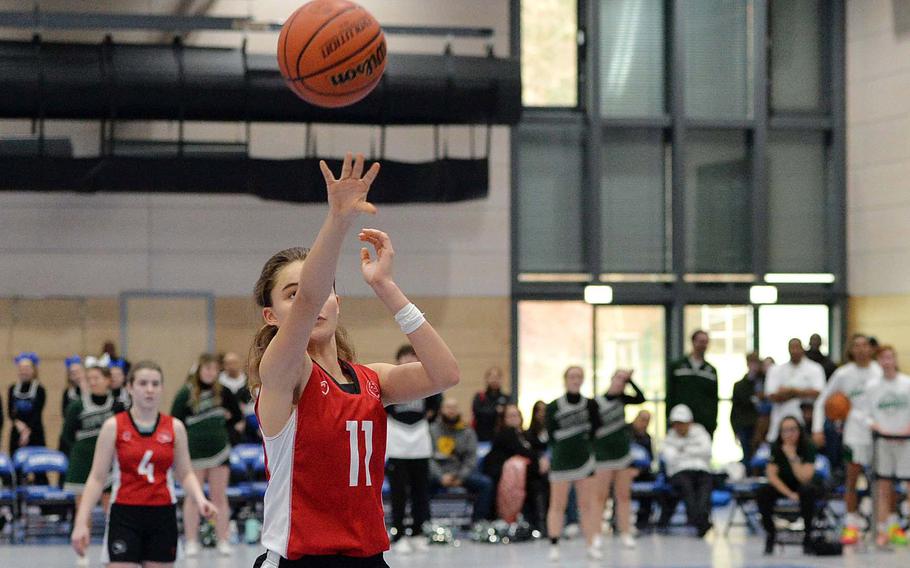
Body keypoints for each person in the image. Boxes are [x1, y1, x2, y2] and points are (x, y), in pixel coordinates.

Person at [248, 153, 459, 568]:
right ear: (271, 317)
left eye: (328, 289)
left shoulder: (371, 380)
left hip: (367, 557)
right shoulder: (281, 375)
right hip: (301, 559)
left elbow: (445, 373)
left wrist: (386, 286)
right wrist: (339, 219)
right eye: (290, 295)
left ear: (338, 303)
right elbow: (310, 300)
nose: (312, 301)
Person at [70, 361, 216, 567]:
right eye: (143, 383)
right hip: (125, 513)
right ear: (130, 387)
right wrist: (80, 522)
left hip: (162, 514)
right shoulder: (114, 426)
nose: (150, 389)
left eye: (155, 384)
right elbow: (97, 477)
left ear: (162, 388)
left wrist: (201, 499)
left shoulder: (175, 427)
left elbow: (185, 473)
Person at [811, 334, 880, 545]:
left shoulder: (879, 372)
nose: (860, 349)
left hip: (879, 431)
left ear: (870, 349)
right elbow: (822, 400)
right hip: (853, 432)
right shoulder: (843, 374)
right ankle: (851, 524)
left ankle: (882, 524)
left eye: (864, 346)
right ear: (851, 350)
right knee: (852, 478)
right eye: (855, 345)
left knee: (881, 480)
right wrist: (817, 429)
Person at [171, 352, 242, 556]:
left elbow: (237, 418)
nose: (210, 373)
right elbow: (175, 422)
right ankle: (191, 541)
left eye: (214, 369)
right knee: (194, 497)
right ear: (199, 370)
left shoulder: (225, 392)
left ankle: (223, 539)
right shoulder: (186, 393)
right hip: (193, 454)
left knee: (219, 497)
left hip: (219, 453)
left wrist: (226, 434)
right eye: (207, 369)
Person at [385, 344, 442, 554]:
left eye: (412, 357)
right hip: (397, 439)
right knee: (399, 492)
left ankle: (418, 532)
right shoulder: (389, 380)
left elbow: (435, 405)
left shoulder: (426, 380)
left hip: (419, 439)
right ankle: (398, 534)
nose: (408, 360)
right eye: (405, 357)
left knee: (421, 491)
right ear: (398, 360)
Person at [545, 366, 600, 562]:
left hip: (585, 461)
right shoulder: (553, 407)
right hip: (561, 461)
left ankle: (591, 544)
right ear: (565, 379)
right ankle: (554, 544)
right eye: (572, 376)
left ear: (583, 380)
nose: (575, 380)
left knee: (587, 505)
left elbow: (595, 430)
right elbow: (550, 435)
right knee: (557, 505)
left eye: (579, 376)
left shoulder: (591, 404)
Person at [591, 369, 645, 549]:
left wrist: (631, 381)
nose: (620, 383)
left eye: (623, 381)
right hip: (603, 457)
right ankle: (596, 534)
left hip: (622, 455)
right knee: (601, 496)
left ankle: (625, 532)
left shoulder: (623, 399)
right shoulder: (596, 403)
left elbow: (641, 398)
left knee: (624, 496)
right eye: (618, 379)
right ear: (611, 379)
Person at [863, 345, 910, 548]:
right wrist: (879, 427)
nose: (887, 361)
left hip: (905, 441)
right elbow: (866, 414)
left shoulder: (907, 384)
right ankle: (884, 529)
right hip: (882, 441)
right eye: (882, 358)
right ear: (878, 361)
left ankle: (905, 527)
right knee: (883, 486)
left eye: (890, 357)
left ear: (895, 359)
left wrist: (905, 430)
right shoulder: (872, 386)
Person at [757, 416, 823, 555]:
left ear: (799, 430)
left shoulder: (808, 446)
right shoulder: (776, 447)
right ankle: (771, 534)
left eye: (793, 430)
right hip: (785, 485)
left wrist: (792, 457)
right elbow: (772, 476)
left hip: (804, 484)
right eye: (785, 430)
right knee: (763, 492)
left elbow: (805, 477)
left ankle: (807, 537)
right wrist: (789, 494)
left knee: (808, 491)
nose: (789, 434)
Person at [429, 398, 492, 522]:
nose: (451, 411)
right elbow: (428, 458)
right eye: (448, 408)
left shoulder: (468, 431)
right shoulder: (431, 430)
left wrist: (460, 477)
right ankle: (426, 524)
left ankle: (477, 523)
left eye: (454, 408)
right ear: (441, 410)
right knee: (420, 484)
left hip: (461, 474)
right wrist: (440, 477)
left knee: (486, 484)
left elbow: (471, 459)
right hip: (438, 474)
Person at [659, 404, 713, 537]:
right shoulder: (669, 438)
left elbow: (707, 452)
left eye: (683, 423)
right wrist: (694, 451)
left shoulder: (700, 432)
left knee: (705, 489)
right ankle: (699, 521)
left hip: (701, 471)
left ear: (690, 422)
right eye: (677, 423)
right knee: (686, 488)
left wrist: (683, 450)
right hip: (680, 473)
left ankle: (700, 518)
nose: (680, 427)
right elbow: (670, 458)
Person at [765, 339, 825, 442]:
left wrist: (790, 391)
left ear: (803, 349)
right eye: (792, 348)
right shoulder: (777, 370)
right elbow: (772, 396)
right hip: (780, 419)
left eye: (797, 348)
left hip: (807, 421)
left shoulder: (815, 368)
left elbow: (818, 393)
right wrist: (801, 392)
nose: (795, 351)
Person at [666, 330, 719, 437]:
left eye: (705, 342)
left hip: (704, 424)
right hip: (679, 422)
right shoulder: (677, 367)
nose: (703, 345)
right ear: (693, 342)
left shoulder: (711, 371)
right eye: (700, 341)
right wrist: (670, 419)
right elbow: (670, 394)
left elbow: (713, 399)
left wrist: (712, 423)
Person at [8, 352, 47, 462]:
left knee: (39, 467)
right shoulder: (12, 388)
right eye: (21, 368)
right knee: (16, 467)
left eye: (27, 367)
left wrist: (27, 431)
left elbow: (37, 412)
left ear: (33, 370)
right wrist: (18, 424)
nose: (24, 370)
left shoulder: (40, 389)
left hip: (35, 432)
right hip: (17, 432)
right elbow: (10, 412)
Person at [732, 353, 764, 467]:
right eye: (751, 362)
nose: (754, 366)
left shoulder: (765, 382)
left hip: (763, 425)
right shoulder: (740, 385)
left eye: (756, 362)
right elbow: (735, 410)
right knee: (747, 454)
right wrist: (735, 430)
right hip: (746, 425)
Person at [523, 400, 550, 531]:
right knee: (535, 486)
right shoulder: (529, 433)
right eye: (539, 411)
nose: (542, 414)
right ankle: (536, 522)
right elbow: (530, 452)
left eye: (544, 411)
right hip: (535, 470)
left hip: (553, 469)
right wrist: (540, 460)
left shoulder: (552, 432)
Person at [219, 351, 255, 443]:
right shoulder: (218, 383)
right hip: (227, 424)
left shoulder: (247, 381)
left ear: (239, 363)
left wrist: (244, 421)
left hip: (247, 421)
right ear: (224, 365)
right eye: (228, 363)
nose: (231, 366)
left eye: (234, 362)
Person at [630, 410, 655, 531]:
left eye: (647, 421)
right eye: (642, 420)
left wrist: (640, 471)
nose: (644, 424)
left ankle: (643, 520)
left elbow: (650, 460)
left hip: (641, 472)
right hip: (624, 471)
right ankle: (618, 520)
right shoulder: (626, 433)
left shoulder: (647, 438)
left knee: (651, 481)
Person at [472, 366, 510, 443]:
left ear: (501, 379)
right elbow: (477, 411)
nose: (494, 380)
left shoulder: (506, 398)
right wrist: (495, 410)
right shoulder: (480, 397)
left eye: (497, 377)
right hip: (482, 436)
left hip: (501, 437)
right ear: (487, 379)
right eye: (492, 377)